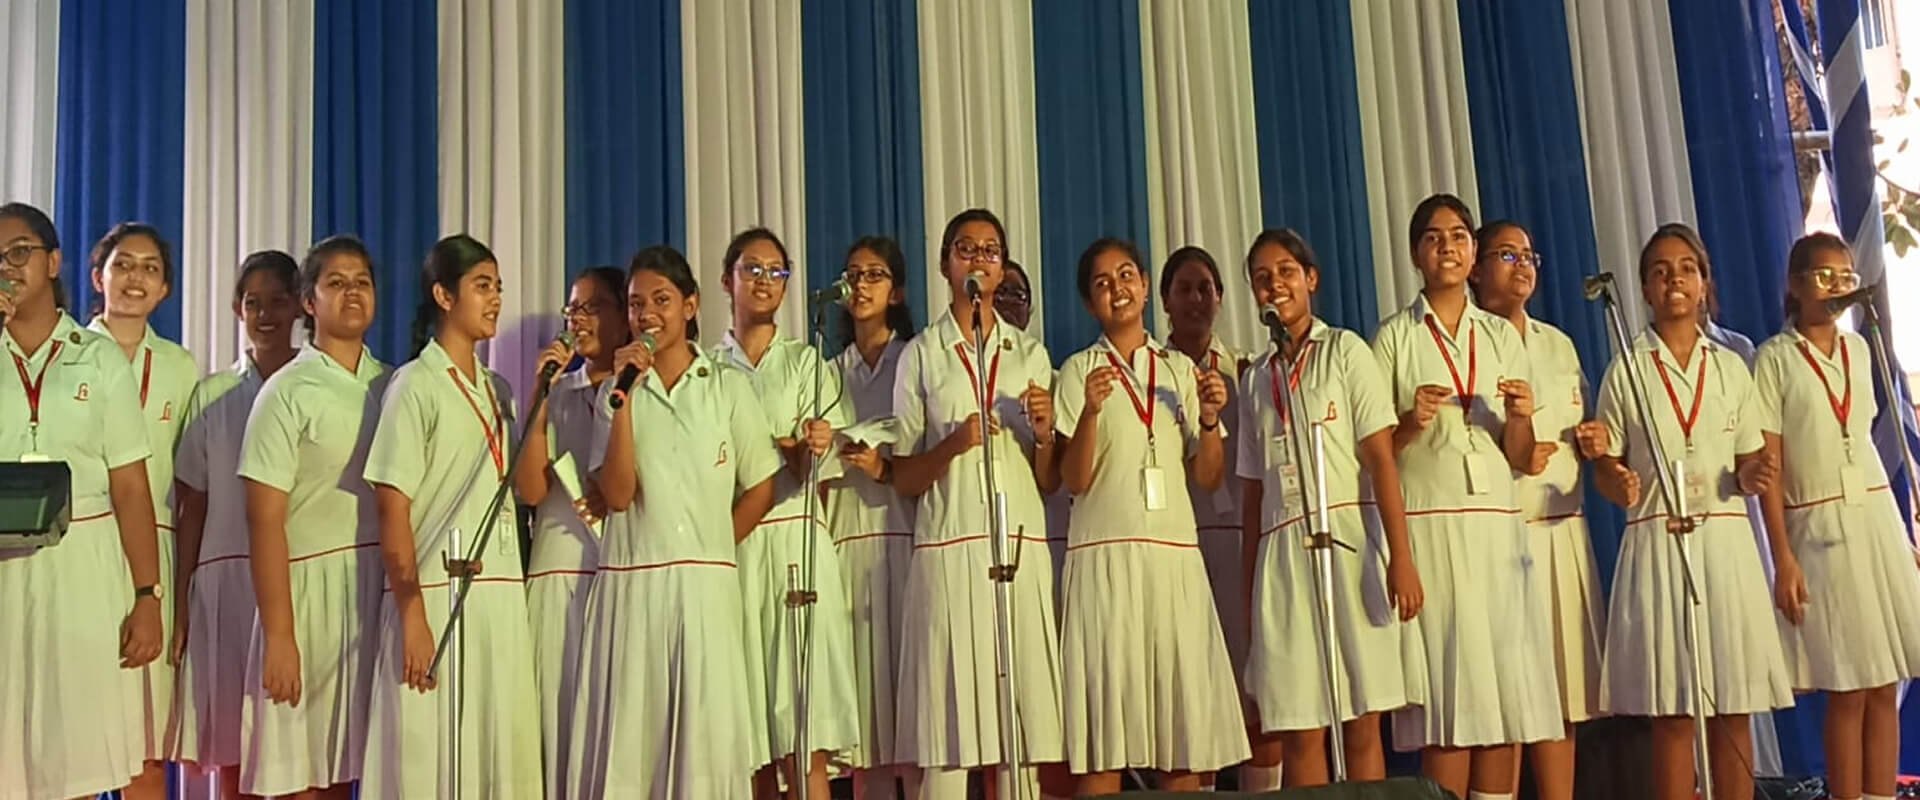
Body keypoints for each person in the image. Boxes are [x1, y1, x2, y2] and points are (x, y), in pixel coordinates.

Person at [1371, 194, 1562, 800]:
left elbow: (1518, 453)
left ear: (1473, 252)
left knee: (1503, 703)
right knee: (1450, 710)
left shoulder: (1500, 335)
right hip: (1433, 530)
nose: (1447, 248)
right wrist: (1410, 421)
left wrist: (1521, 415)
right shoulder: (1394, 336)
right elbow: (1376, 453)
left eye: (1457, 236)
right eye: (1433, 238)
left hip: (1497, 531)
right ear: (1415, 255)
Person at [569, 245, 779, 798]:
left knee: (703, 750)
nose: (647, 315)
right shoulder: (616, 393)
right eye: (636, 304)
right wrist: (623, 399)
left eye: (660, 300)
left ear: (690, 305)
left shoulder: (726, 386)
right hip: (634, 590)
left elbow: (762, 484)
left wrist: (715, 544)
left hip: (706, 591)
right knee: (636, 749)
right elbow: (617, 494)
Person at [1591, 223, 1792, 800]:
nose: (1673, 280)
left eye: (1686, 268)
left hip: (1724, 544)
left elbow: (1748, 460)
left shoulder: (1730, 366)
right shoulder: (1627, 369)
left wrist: (1753, 476)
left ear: (1704, 283)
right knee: (1674, 711)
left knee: (1734, 704)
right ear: (1645, 290)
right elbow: (1606, 466)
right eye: (1659, 271)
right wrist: (1617, 479)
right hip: (1659, 542)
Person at [1052, 237, 1247, 795]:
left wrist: (1209, 420)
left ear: (1144, 287)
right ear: (1088, 302)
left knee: (1182, 738)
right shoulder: (1079, 371)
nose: (1117, 289)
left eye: (1126, 276)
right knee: (1104, 742)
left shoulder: (1178, 370)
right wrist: (1090, 412)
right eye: (1102, 282)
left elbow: (1207, 476)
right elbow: (1074, 480)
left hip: (1172, 562)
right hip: (1104, 563)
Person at [890, 209, 1065, 799]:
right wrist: (953, 444)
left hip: (1016, 551)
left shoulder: (1029, 353)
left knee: (1019, 736)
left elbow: (1048, 479)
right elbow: (903, 476)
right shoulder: (922, 354)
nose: (979, 259)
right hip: (949, 552)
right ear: (946, 264)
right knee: (949, 734)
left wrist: (1044, 434)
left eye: (990, 250)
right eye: (966, 249)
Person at [1237, 229, 1422, 788]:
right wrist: (1249, 589)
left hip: (1345, 541)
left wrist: (1401, 557)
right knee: (1300, 726)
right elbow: (1253, 492)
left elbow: (1380, 458)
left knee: (1361, 720)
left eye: (1286, 272)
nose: (1275, 285)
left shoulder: (1345, 350)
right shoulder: (1255, 379)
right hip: (1282, 552)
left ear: (1310, 279)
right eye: (1262, 278)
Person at [361, 234, 542, 798]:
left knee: (497, 756)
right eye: (482, 286)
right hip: (439, 594)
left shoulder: (498, 390)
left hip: (500, 595)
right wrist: (412, 612)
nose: (495, 299)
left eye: (498, 287)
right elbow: (392, 505)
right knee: (433, 758)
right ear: (443, 295)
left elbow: (527, 488)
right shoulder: (415, 384)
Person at [0, 201, 164, 800]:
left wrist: (147, 596)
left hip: (83, 568)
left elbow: (131, 485)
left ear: (53, 262)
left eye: (20, 252)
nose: (7, 267)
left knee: (73, 756)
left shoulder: (97, 356)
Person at [1757, 232, 1920, 800]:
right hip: (1819, 526)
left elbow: (1866, 439)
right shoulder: (1775, 358)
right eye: (1824, 276)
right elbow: (1771, 466)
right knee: (1848, 685)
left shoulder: (1858, 348)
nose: (1837, 287)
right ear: (1795, 284)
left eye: (1845, 277)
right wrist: (1783, 557)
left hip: (1874, 518)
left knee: (1883, 681)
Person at [236, 236, 389, 798]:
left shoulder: (393, 384)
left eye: (362, 282)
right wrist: (280, 635)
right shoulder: (286, 391)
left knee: (369, 764)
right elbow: (264, 520)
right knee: (305, 771)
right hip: (307, 595)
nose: (352, 293)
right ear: (308, 301)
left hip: (379, 591)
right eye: (336, 283)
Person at [709, 227, 860, 798]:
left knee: (804, 726)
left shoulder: (806, 361)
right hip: (737, 542)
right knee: (747, 733)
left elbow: (815, 463)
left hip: (797, 540)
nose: (765, 281)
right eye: (752, 269)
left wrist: (802, 446)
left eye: (777, 271)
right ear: (727, 280)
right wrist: (779, 445)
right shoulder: (708, 369)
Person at [1468, 221, 1608, 800]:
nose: (1522, 265)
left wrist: (1596, 442)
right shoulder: (1468, 341)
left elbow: (1586, 426)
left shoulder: (1558, 344)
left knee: (1562, 697)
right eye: (1506, 255)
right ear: (1476, 268)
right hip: (1499, 539)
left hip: (1561, 534)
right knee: (1506, 701)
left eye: (1529, 255)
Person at [169, 250, 301, 797]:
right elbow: (192, 506)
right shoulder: (213, 395)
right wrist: (181, 602)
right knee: (233, 749)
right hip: (225, 587)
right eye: (253, 303)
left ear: (301, 306)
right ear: (236, 309)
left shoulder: (314, 386)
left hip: (295, 583)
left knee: (300, 750)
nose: (265, 315)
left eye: (278, 301)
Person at [86, 222, 200, 799]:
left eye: (150, 268)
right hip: (82, 551)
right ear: (97, 277)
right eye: (123, 264)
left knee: (147, 741)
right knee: (76, 737)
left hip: (153, 559)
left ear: (165, 289)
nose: (135, 278)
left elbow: (188, 486)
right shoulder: (67, 355)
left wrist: (170, 600)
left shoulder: (181, 367)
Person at [513, 266, 629, 799]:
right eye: (572, 309)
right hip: (558, 569)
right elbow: (531, 489)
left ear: (623, 316)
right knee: (557, 725)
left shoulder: (644, 393)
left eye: (592, 308)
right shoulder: (557, 392)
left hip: (619, 568)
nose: (578, 320)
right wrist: (539, 394)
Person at [824, 236, 918, 799]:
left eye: (875, 275)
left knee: (910, 713)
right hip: (846, 543)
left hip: (903, 537)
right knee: (866, 726)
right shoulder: (828, 371)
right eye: (853, 275)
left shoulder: (914, 359)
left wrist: (884, 465)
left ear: (896, 291)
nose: (861, 285)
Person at [1159, 245, 1257, 785]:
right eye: (1184, 289)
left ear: (1220, 298)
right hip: (1177, 543)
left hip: (1238, 541)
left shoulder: (1246, 368)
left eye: (1205, 288)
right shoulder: (1150, 370)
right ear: (1164, 301)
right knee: (1193, 692)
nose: (1195, 299)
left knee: (1251, 686)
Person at [1001, 258, 1072, 592]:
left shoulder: (1056, 379)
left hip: (1052, 532)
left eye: (1017, 294)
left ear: (1029, 310)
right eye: (999, 292)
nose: (1006, 301)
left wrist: (1045, 435)